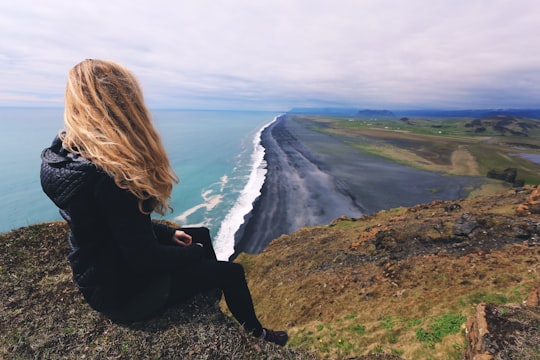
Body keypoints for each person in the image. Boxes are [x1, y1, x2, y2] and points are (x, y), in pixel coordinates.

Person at [40, 59, 288, 346]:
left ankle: (207, 291)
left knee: (202, 234)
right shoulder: (112, 174)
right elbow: (145, 260)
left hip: (96, 275)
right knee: (231, 271)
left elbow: (110, 222)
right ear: (126, 104)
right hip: (126, 295)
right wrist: (194, 254)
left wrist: (169, 233)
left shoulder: (66, 157)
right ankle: (258, 334)